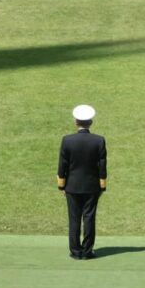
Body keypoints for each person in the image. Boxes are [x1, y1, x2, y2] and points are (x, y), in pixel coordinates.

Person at [57, 104, 107, 260]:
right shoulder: (99, 141)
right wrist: (102, 186)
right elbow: (102, 166)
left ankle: (75, 251)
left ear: (76, 122)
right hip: (92, 186)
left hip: (72, 186)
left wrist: (61, 185)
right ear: (90, 122)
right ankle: (87, 251)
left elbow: (62, 165)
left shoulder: (67, 140)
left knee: (74, 219)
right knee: (89, 218)